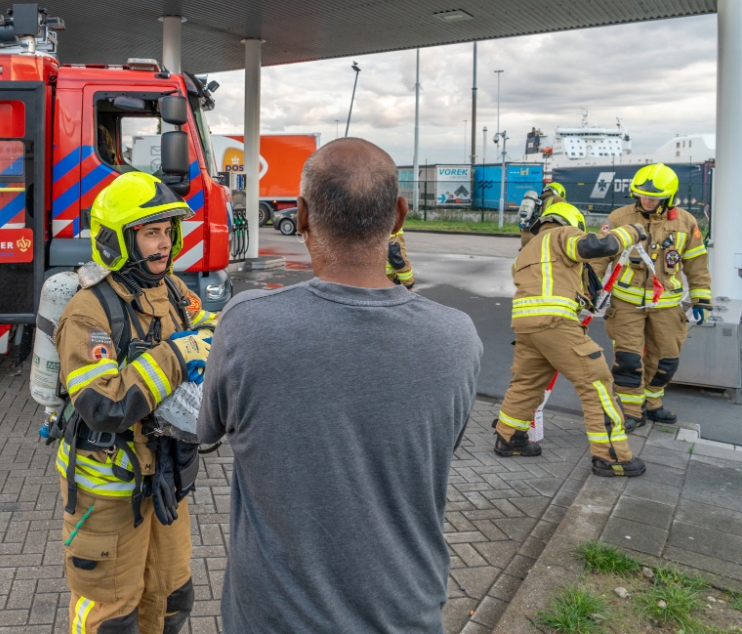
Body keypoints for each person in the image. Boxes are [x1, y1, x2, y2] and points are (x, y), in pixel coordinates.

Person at [197, 138, 483, 634]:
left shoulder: (247, 324)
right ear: (398, 216)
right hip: (405, 613)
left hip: (272, 619)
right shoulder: (457, 338)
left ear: (302, 215)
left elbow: (205, 432)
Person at [53, 172, 217, 634]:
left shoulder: (171, 291)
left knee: (171, 596)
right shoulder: (89, 310)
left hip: (164, 475)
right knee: (111, 615)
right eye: (150, 232)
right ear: (118, 239)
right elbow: (103, 404)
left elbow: (213, 327)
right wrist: (175, 355)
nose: (163, 243)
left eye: (167, 231)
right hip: (107, 487)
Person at [495, 202, 648, 478]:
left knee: (527, 382)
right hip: (554, 322)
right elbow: (594, 248)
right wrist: (631, 232)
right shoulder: (561, 234)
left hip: (526, 325)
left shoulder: (527, 250)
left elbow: (556, 281)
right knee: (596, 381)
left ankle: (509, 438)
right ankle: (612, 456)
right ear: (572, 223)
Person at [590, 163, 711, 428]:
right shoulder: (619, 218)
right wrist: (588, 290)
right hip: (626, 305)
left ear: (668, 197)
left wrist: (701, 298)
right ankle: (632, 412)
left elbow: (696, 263)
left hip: (667, 307)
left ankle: (653, 403)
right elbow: (599, 258)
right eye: (642, 194)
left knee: (666, 360)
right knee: (629, 361)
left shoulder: (686, 223)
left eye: (653, 196)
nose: (646, 199)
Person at [519, 182, 567, 247]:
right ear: (561, 193)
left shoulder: (535, 200)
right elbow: (565, 218)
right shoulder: (558, 199)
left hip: (525, 233)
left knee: (526, 256)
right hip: (541, 234)